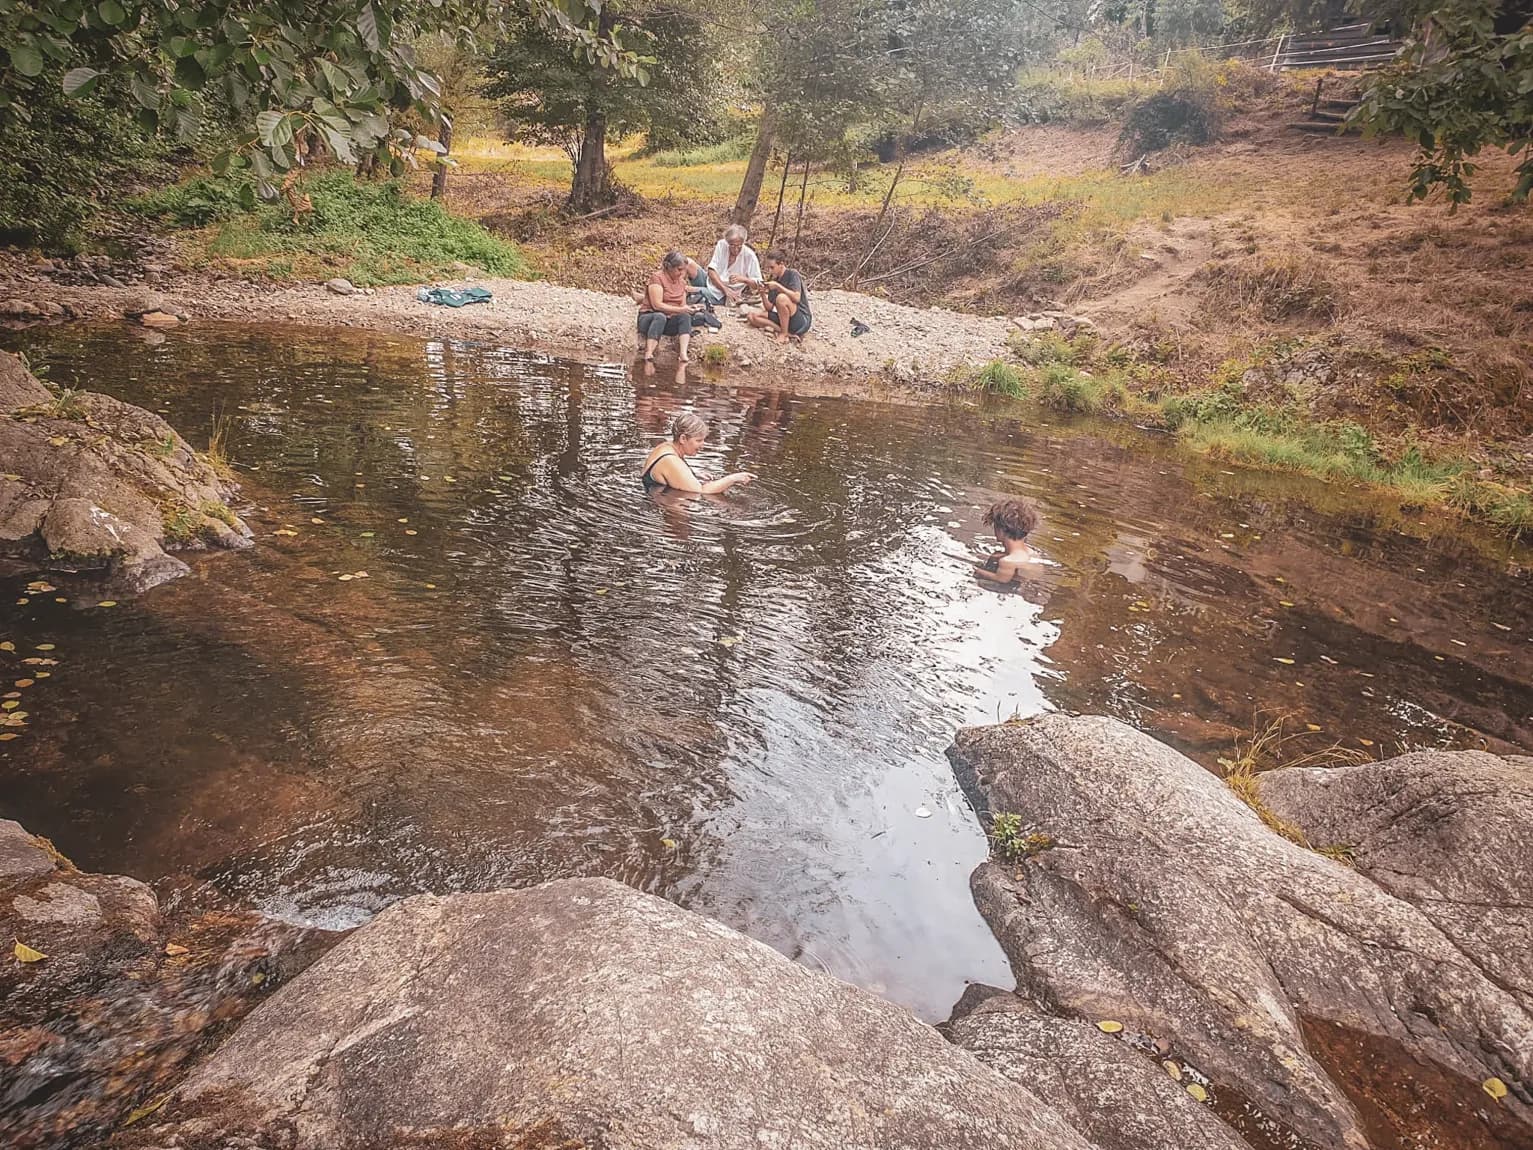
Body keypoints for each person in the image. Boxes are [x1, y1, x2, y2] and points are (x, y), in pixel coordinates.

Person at [640, 412, 756, 494]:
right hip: (665, 504)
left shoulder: (665, 446)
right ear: (683, 439)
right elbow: (702, 491)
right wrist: (734, 478)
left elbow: (672, 472)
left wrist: (692, 474)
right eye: (698, 440)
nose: (703, 445)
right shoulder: (671, 460)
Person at [637, 251, 707, 365]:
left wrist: (691, 308)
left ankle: (683, 354)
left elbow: (682, 306)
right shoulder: (657, 278)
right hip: (649, 319)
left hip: (668, 321)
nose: (681, 273)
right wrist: (681, 309)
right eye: (679, 270)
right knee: (660, 316)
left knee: (685, 316)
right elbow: (656, 305)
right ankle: (649, 352)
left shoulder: (682, 283)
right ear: (669, 267)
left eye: (683, 270)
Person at [746, 249, 811, 344]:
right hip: (785, 317)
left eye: (772, 267)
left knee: (781, 298)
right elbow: (769, 307)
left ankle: (783, 334)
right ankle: (786, 332)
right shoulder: (774, 280)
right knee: (752, 316)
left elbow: (797, 297)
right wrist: (763, 293)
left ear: (781, 264)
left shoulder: (792, 274)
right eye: (768, 268)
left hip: (800, 319)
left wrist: (778, 287)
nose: (770, 271)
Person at [974, 497, 1042, 585]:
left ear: (1001, 531)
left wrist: (978, 571)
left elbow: (1001, 579)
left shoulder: (1007, 561)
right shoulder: (1033, 553)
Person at [704, 225, 762, 306]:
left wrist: (743, 279)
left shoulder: (749, 256)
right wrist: (725, 289)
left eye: (739, 246)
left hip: (722, 294)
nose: (736, 249)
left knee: (694, 293)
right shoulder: (721, 245)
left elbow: (759, 284)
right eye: (732, 245)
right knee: (689, 263)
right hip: (713, 283)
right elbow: (711, 270)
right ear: (727, 242)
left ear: (743, 243)